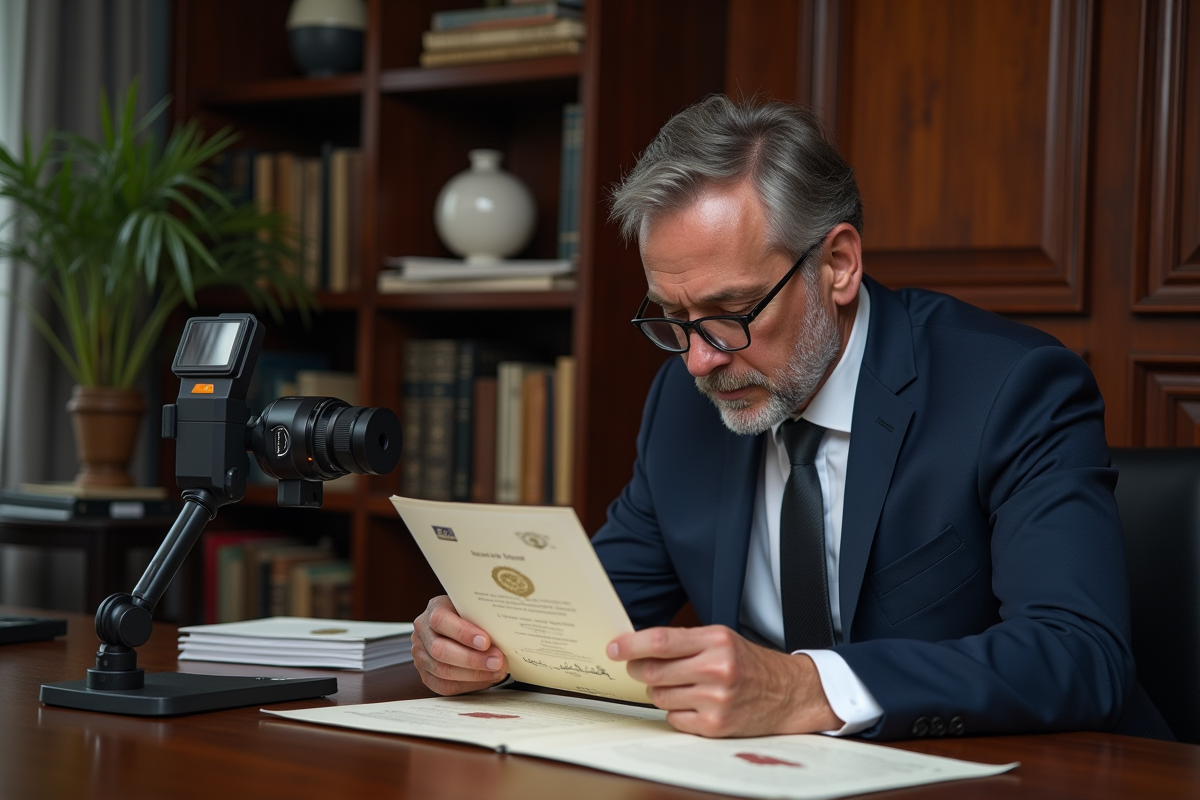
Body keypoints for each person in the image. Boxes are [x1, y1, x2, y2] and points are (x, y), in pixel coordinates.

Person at [411, 95, 1170, 741]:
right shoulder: (684, 400)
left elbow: (1079, 653)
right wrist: (484, 643)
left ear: (837, 265)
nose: (699, 360)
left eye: (731, 313)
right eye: (672, 317)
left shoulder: (1013, 387)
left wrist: (807, 688)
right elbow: (597, 624)